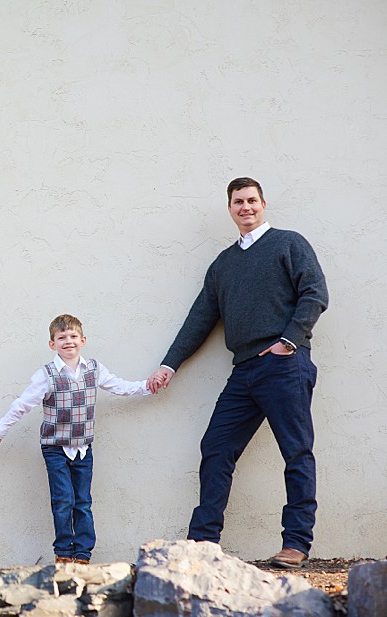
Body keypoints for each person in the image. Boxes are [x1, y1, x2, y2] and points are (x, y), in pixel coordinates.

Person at [147, 177, 328, 569]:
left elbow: (315, 292)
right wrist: (168, 364)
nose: (245, 207)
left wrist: (289, 342)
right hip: (243, 370)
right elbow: (200, 319)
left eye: (251, 200)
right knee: (216, 448)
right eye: (237, 202)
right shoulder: (224, 264)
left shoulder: (288, 243)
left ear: (263, 204)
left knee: (296, 451)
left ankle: (296, 543)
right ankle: (203, 542)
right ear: (229, 210)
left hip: (284, 364)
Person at [0, 314, 157, 565]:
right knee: (63, 500)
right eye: (61, 337)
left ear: (83, 340)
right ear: (52, 344)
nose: (68, 341)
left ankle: (83, 554)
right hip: (55, 448)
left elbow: (120, 386)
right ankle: (64, 552)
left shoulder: (94, 370)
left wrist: (147, 386)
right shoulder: (46, 375)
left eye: (73, 336)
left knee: (83, 502)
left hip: (84, 448)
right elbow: (22, 405)